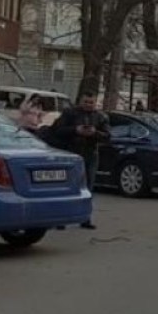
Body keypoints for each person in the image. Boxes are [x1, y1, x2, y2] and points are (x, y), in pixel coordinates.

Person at [51, 92, 110, 229]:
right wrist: (75, 130)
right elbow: (57, 130)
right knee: (68, 187)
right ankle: (62, 219)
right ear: (81, 101)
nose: (88, 105)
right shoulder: (70, 114)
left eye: (91, 103)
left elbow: (108, 136)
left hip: (91, 154)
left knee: (88, 187)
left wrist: (95, 133)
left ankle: (85, 218)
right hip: (71, 153)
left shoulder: (100, 117)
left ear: (95, 103)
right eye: (86, 102)